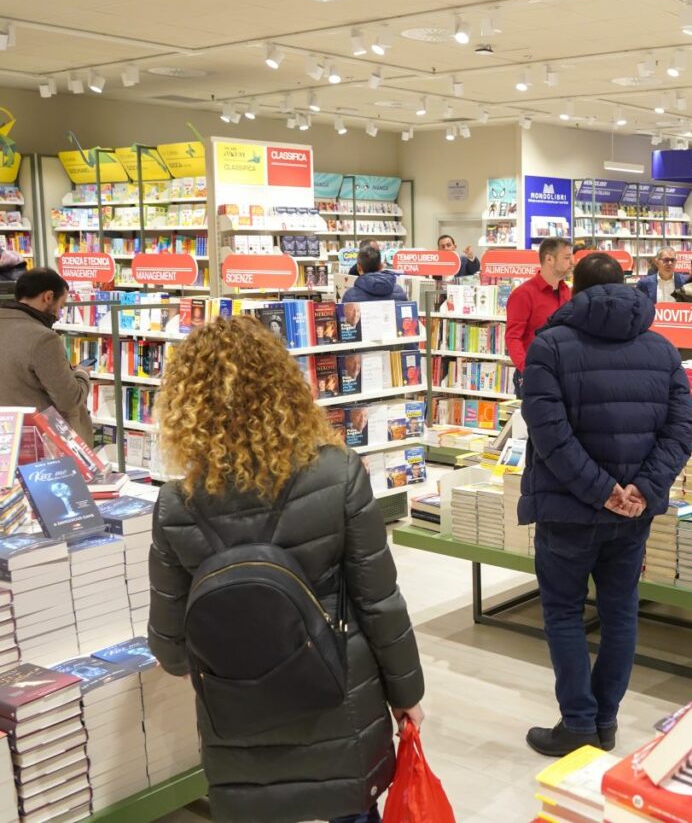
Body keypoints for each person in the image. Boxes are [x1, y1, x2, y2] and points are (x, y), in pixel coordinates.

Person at [148, 316, 424, 823]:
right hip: (337, 701)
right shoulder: (338, 475)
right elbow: (380, 603)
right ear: (285, 387)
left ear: (186, 406)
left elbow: (170, 648)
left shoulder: (174, 505)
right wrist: (408, 696)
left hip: (239, 722)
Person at [518, 252, 692, 757]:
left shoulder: (549, 346)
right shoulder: (661, 348)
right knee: (620, 614)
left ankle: (578, 723)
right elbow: (683, 428)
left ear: (573, 289)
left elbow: (550, 435)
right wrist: (642, 488)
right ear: (625, 287)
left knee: (563, 613)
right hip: (632, 516)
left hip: (570, 510)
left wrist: (601, 490)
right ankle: (607, 721)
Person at [0, 267, 92, 443]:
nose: (58, 314)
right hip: (42, 442)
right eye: (61, 305)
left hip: (6, 437)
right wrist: (81, 375)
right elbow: (69, 400)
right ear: (48, 297)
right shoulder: (44, 338)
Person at [505, 237, 573, 398]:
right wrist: (527, 369)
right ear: (549, 259)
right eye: (567, 258)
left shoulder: (567, 292)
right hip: (534, 374)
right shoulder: (523, 294)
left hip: (563, 373)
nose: (572, 263)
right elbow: (513, 337)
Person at [341, 242, 408, 303]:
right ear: (381, 266)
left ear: (359, 268)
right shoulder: (399, 291)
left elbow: (344, 315)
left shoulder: (350, 296)